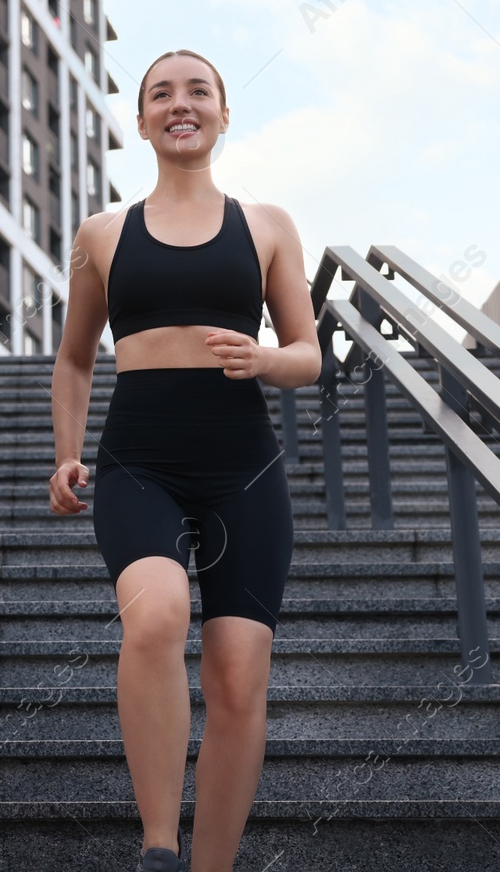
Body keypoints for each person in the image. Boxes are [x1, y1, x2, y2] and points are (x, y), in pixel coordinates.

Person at [48, 50, 321, 872]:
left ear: (223, 114)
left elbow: (309, 353)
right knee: (158, 613)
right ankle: (160, 847)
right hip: (140, 463)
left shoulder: (267, 224)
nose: (180, 102)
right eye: (160, 93)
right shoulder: (101, 234)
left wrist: (265, 359)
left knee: (239, 676)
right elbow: (73, 358)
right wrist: (66, 453)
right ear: (140, 122)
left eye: (198, 90)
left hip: (244, 466)